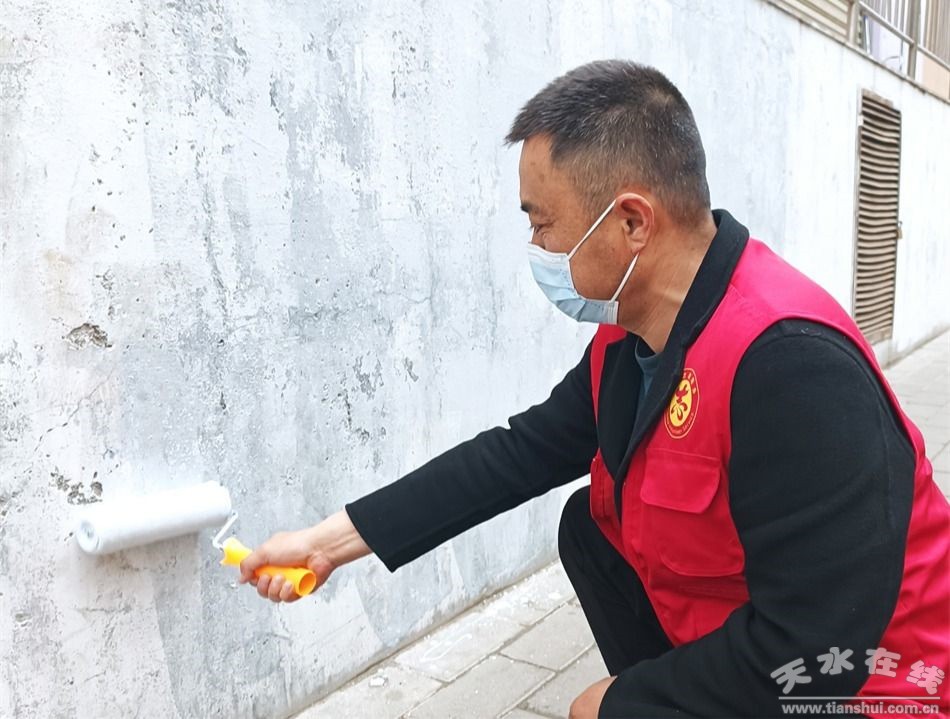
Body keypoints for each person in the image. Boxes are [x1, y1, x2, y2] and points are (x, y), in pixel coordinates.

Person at [239, 61, 950, 718]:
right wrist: (328, 543)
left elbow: (816, 649)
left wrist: (619, 702)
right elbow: (519, 453)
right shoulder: (632, 335)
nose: (536, 249)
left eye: (542, 223)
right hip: (764, 637)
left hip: (874, 688)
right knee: (590, 524)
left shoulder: (790, 363)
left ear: (633, 222)